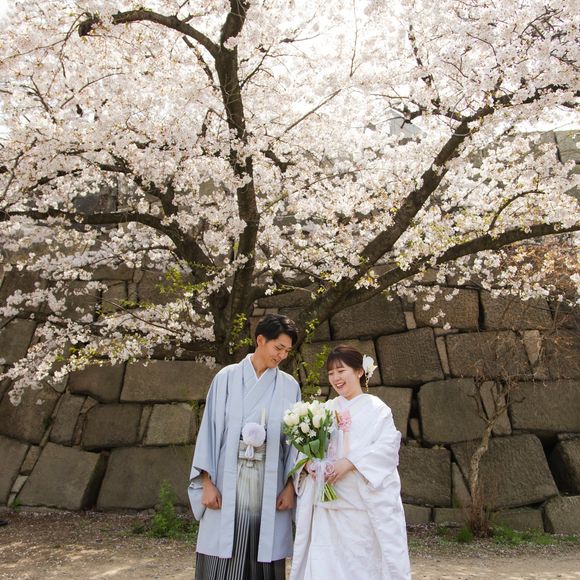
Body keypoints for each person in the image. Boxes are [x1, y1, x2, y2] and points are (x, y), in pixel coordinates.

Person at [189, 314, 301, 580]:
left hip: (269, 482)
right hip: (226, 479)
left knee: (263, 551)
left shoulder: (289, 386)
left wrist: (290, 487)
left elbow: (294, 443)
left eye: (287, 351)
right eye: (278, 348)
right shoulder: (226, 378)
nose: (282, 355)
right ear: (260, 340)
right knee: (221, 550)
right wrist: (206, 483)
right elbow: (209, 432)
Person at [290, 345, 411, 580]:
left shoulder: (377, 409)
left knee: (359, 568)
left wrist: (350, 462)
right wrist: (309, 464)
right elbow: (302, 450)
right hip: (327, 507)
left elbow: (387, 448)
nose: (335, 378)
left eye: (341, 371)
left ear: (359, 371)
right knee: (325, 566)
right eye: (331, 373)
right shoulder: (325, 409)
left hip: (360, 507)